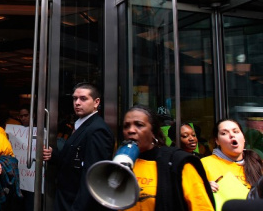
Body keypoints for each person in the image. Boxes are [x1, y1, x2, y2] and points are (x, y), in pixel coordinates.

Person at [122, 104, 214, 211]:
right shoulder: (119, 164)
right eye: (126, 126)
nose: (131, 130)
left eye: (139, 125)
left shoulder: (177, 163)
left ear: (153, 131)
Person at [42, 82, 115, 210]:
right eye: (75, 98)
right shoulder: (80, 125)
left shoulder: (97, 130)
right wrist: (54, 156)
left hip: (75, 202)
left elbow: (93, 178)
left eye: (83, 98)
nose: (77, 102)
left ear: (96, 102)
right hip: (65, 198)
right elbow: (75, 161)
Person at [201, 119, 263, 208]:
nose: (232, 135)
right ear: (217, 141)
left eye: (236, 131)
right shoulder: (204, 164)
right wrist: (203, 189)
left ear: (243, 138)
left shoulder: (257, 162)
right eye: (224, 133)